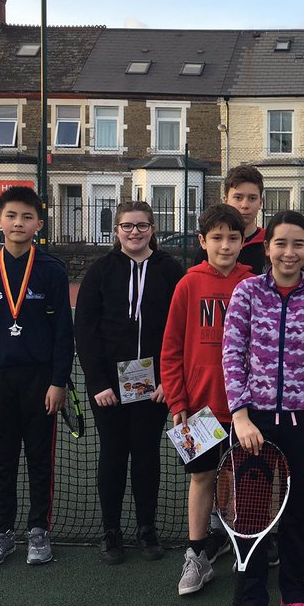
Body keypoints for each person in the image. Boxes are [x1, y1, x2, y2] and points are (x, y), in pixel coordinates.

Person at [222, 210, 304, 606]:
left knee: (296, 517)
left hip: (303, 426)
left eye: (298, 244)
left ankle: (295, 597)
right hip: (253, 425)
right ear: (267, 247)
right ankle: (253, 605)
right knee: (250, 519)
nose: (289, 253)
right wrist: (239, 415)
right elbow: (232, 355)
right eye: (281, 243)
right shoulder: (247, 292)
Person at [0, 185, 73, 567]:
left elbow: (64, 335)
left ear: (39, 224)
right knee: (3, 461)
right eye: (11, 215)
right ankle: (2, 532)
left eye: (27, 217)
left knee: (41, 459)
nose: (18, 223)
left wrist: (58, 382)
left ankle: (39, 531)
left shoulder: (52, 271)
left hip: (41, 383)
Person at [75, 201, 184, 565]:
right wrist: (98, 382)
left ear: (153, 228)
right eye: (127, 226)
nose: (134, 232)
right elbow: (86, 331)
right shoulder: (101, 271)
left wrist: (169, 381)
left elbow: (179, 331)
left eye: (141, 225)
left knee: (147, 457)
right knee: (112, 457)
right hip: (109, 389)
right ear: (117, 230)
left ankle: (146, 529)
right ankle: (111, 531)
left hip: (155, 389)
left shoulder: (171, 270)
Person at [161, 203, 253, 594]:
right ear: (202, 241)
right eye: (216, 238)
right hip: (199, 410)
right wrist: (178, 403)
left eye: (233, 238)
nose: (225, 245)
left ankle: (241, 547)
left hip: (244, 409)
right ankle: (196, 555)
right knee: (201, 478)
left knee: (239, 479)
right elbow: (171, 349)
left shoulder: (253, 284)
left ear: (243, 241)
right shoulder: (188, 284)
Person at [190, 165, 267, 272]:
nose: (245, 205)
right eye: (238, 197)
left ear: (260, 203)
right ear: (225, 200)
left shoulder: (270, 244)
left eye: (252, 198)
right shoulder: (208, 250)